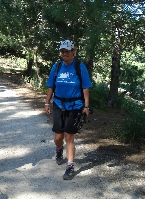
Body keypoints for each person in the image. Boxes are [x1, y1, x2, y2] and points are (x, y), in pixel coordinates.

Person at [44, 40, 92, 180]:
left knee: (69, 136)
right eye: (63, 51)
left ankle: (70, 166)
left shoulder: (79, 67)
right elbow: (50, 86)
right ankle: (59, 150)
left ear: (73, 52)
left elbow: (85, 87)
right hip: (59, 104)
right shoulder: (57, 66)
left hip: (75, 105)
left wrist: (86, 106)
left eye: (67, 51)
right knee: (58, 136)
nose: (65, 53)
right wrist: (47, 103)